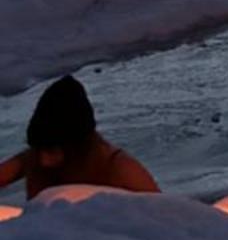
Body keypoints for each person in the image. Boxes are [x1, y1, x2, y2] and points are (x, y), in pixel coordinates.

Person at [0, 75, 160, 200]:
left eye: (51, 151)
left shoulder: (120, 168)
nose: (43, 160)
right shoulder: (33, 159)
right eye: (39, 149)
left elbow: (166, 220)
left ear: (77, 147)